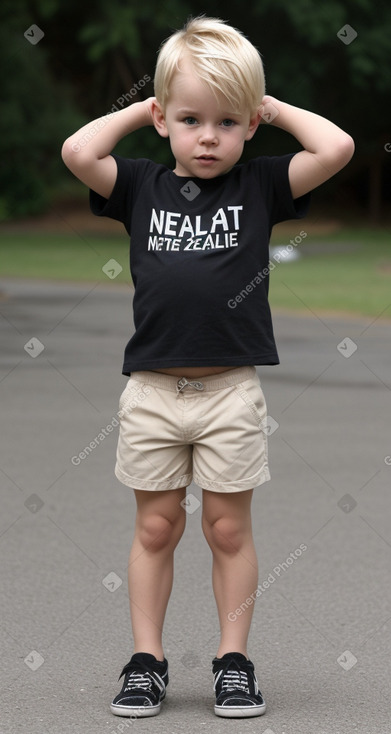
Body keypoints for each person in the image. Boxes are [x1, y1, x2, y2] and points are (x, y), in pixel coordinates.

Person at [61, 15, 354, 720]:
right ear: (164, 120)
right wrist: (149, 107)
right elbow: (77, 149)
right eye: (190, 119)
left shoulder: (260, 185)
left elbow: (337, 145)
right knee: (156, 528)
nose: (208, 137)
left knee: (227, 529)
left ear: (249, 125)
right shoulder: (138, 186)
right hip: (155, 392)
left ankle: (231, 661)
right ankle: (146, 662)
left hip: (228, 392)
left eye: (227, 121)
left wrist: (268, 107)